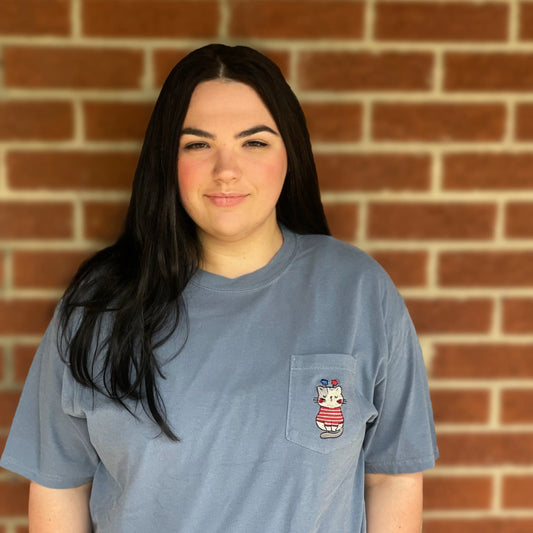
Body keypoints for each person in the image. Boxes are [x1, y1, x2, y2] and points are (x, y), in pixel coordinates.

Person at [0, 44, 438, 532]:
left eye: (254, 142)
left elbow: (391, 478)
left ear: (290, 152)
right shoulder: (97, 307)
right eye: (197, 144)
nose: (226, 169)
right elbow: (60, 487)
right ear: (167, 160)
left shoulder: (358, 293)